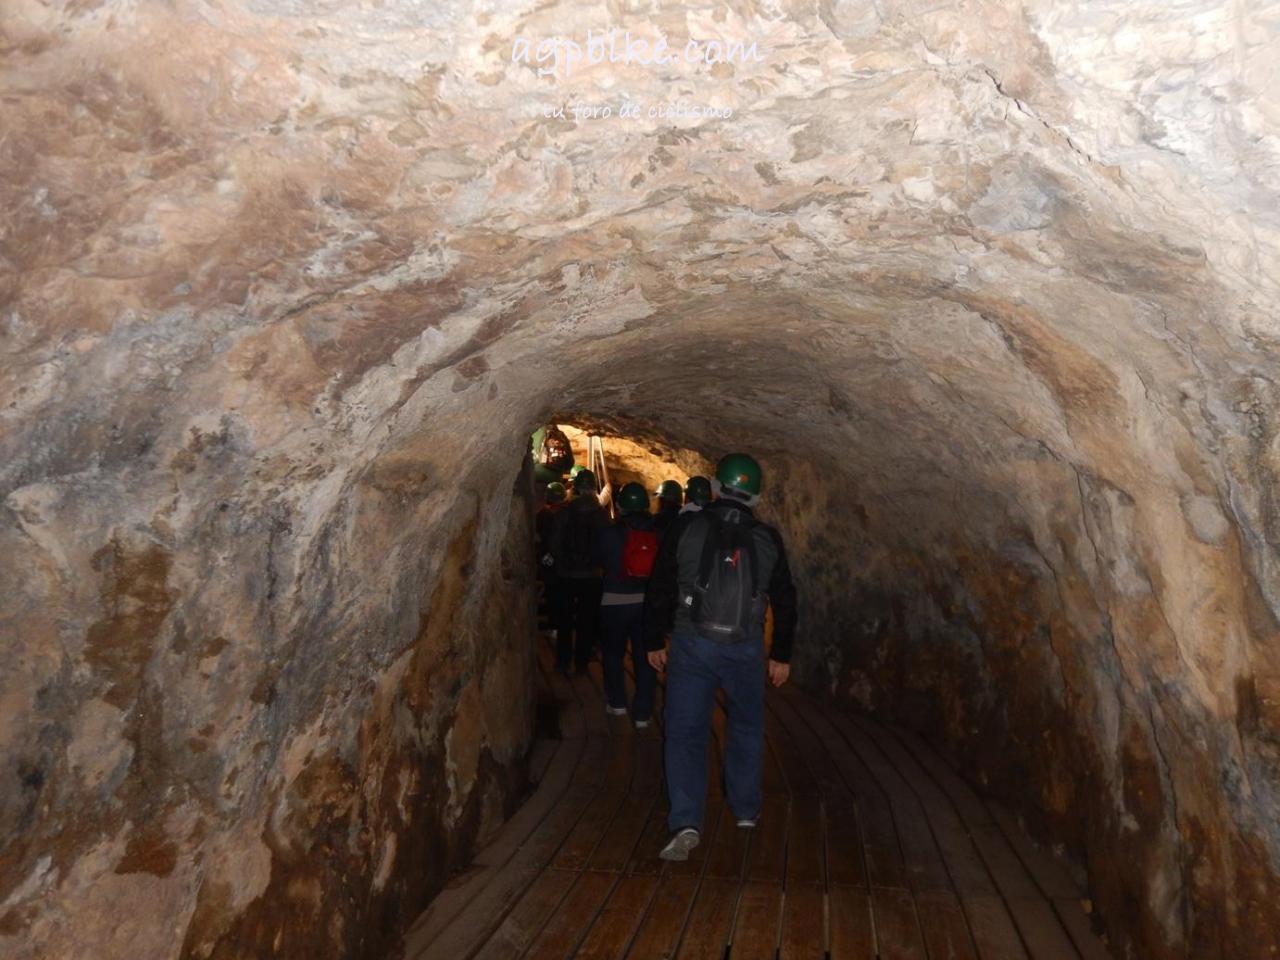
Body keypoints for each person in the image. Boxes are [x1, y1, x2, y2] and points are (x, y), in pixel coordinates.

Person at [644, 453, 797, 861]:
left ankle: (686, 819)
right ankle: (745, 809)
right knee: (746, 726)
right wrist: (781, 653)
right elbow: (785, 598)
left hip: (692, 643)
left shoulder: (686, 527)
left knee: (685, 732)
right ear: (756, 496)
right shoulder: (767, 537)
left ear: (715, 487)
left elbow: (660, 585)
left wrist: (654, 639)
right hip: (745, 647)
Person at [591, 481, 660, 727]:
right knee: (646, 657)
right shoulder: (658, 533)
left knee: (613, 654)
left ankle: (617, 703)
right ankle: (643, 714)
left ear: (620, 506)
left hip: (614, 601)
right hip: (646, 604)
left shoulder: (609, 533)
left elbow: (597, 560)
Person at [548, 469, 607, 676]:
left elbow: (554, 543)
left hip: (566, 575)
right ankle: (581, 662)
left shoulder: (564, 512)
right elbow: (605, 545)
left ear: (575, 488)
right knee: (586, 621)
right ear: (593, 488)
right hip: (592, 576)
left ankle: (563, 661)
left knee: (564, 620)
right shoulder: (601, 515)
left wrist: (563, 563)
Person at [536, 482, 567, 631]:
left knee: (552, 594)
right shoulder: (567, 514)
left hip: (549, 561)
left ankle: (554, 624)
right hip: (565, 561)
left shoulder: (543, 515)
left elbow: (538, 537)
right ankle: (561, 624)